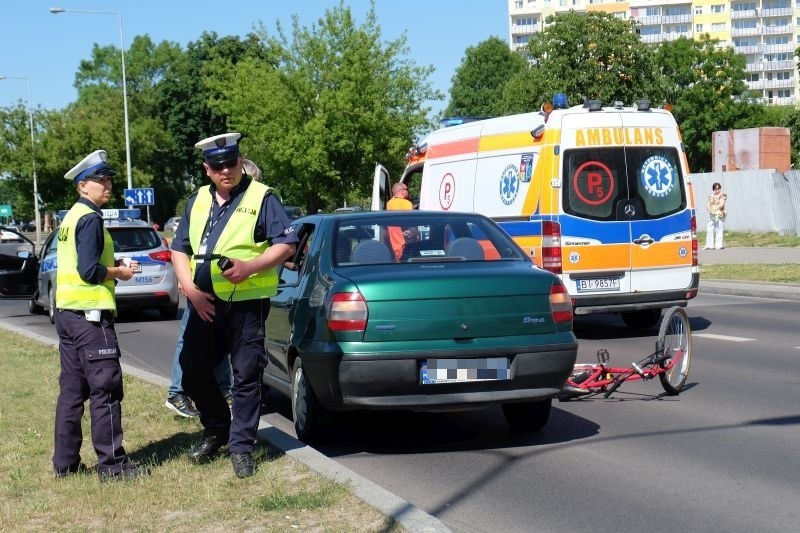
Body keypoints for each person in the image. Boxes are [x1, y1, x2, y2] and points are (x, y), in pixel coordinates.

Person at [171, 134, 297, 478]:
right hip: (204, 302)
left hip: (246, 305)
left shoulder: (262, 196)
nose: (226, 170)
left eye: (232, 163)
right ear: (206, 169)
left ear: (241, 161)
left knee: (245, 378)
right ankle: (217, 428)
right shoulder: (196, 200)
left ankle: (241, 447)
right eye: (218, 166)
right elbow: (179, 248)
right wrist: (188, 288)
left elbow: (286, 244)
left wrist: (249, 267)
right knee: (193, 374)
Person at [53, 150, 150, 482]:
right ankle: (113, 466)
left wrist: (115, 264)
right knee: (105, 390)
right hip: (91, 318)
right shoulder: (91, 218)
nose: (107, 185)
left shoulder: (71, 217)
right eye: (100, 180)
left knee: (71, 391)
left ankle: (65, 465)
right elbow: (90, 270)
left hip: (68, 315)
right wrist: (119, 273)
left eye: (108, 178)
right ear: (83, 185)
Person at [164, 159, 262, 418]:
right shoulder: (203, 204)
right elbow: (184, 247)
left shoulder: (245, 205)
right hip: (202, 289)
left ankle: (220, 391)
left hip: (222, 292)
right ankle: (177, 391)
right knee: (191, 342)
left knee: (215, 347)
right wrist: (187, 283)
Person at [705, 182, 728, 250]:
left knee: (719, 229)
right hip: (712, 214)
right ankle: (709, 245)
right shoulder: (711, 196)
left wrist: (715, 209)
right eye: (715, 188)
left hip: (720, 214)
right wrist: (710, 211)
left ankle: (718, 245)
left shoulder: (722, 195)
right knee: (709, 228)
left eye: (718, 188)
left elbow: (721, 204)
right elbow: (708, 205)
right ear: (713, 189)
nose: (717, 189)